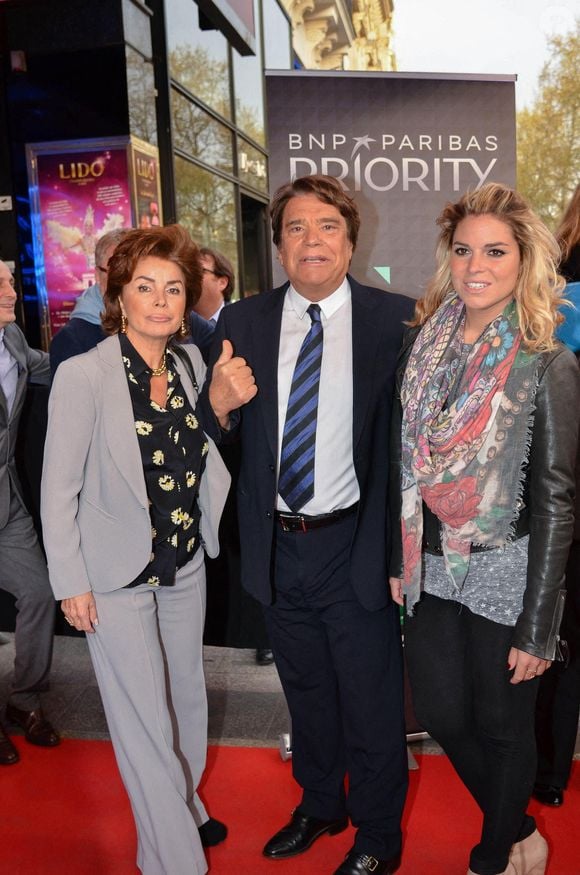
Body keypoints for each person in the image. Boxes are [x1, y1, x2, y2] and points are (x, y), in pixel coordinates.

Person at [202, 174, 412, 875]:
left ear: (350, 241)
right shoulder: (243, 322)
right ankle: (321, 803)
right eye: (296, 227)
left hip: (354, 543)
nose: (312, 239)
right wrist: (221, 408)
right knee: (308, 692)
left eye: (327, 225)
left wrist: (399, 554)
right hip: (277, 546)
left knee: (373, 702)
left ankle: (379, 833)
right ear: (279, 246)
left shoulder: (396, 321)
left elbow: (409, 450)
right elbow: (220, 435)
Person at [40, 226, 254, 874]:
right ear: (119, 294)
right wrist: (71, 582)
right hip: (114, 577)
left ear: (187, 297)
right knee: (142, 725)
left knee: (186, 700)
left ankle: (180, 810)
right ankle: (175, 862)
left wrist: (216, 409)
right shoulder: (84, 373)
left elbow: (194, 455)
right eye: (145, 287)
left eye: (173, 288)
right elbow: (58, 490)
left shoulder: (189, 362)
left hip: (183, 562)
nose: (160, 300)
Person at [389, 183, 580, 875]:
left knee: (503, 725)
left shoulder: (547, 361)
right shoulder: (424, 348)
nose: (476, 264)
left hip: (509, 564)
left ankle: (494, 855)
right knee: (442, 711)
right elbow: (401, 462)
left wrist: (541, 624)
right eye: (464, 249)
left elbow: (559, 500)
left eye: (495, 250)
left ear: (522, 259)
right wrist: (398, 555)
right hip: (431, 561)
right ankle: (520, 824)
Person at [0, 258, 59, 765]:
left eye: (10, 281)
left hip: (7, 499)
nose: (10, 291)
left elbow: (50, 366)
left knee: (39, 592)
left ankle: (24, 698)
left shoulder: (13, 338)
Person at [533, 182, 580, 808]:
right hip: (565, 474)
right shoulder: (556, 285)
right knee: (563, 631)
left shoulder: (555, 282)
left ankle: (548, 769)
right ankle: (549, 768)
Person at [49, 228, 129, 377]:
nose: (125, 281)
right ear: (97, 275)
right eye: (116, 272)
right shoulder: (72, 340)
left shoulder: (157, 322)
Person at [194, 246, 234, 325]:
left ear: (222, 283)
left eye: (199, 270)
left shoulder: (242, 323)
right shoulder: (178, 324)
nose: (192, 276)